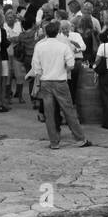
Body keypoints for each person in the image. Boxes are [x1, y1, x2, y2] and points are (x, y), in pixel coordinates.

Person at [27, 20, 92, 150]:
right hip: (60, 81)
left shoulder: (39, 46)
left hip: (46, 82)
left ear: (46, 32)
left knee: (49, 113)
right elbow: (71, 65)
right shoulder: (63, 46)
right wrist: (63, 69)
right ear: (58, 32)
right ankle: (80, 138)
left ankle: (54, 142)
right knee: (69, 111)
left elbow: (36, 67)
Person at [3, 8, 25, 102]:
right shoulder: (3, 26)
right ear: (5, 18)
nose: (10, 19)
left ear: (15, 18)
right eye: (8, 17)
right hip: (6, 53)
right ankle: (8, 96)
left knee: (19, 74)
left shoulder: (19, 25)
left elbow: (22, 36)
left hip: (17, 52)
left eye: (12, 17)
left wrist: (13, 39)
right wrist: (14, 38)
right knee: (8, 74)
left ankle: (20, 96)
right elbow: (4, 39)